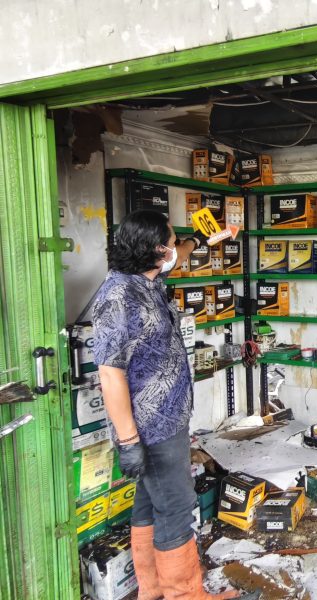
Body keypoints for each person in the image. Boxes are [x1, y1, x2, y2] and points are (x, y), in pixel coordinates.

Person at [93, 210, 238, 600]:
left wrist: (205, 239)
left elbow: (183, 252)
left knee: (148, 502)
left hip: (168, 418)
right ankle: (185, 594)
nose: (177, 249)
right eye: (171, 242)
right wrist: (128, 441)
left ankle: (153, 590)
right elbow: (110, 374)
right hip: (149, 425)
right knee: (175, 506)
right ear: (157, 249)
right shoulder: (119, 297)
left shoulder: (148, 278)